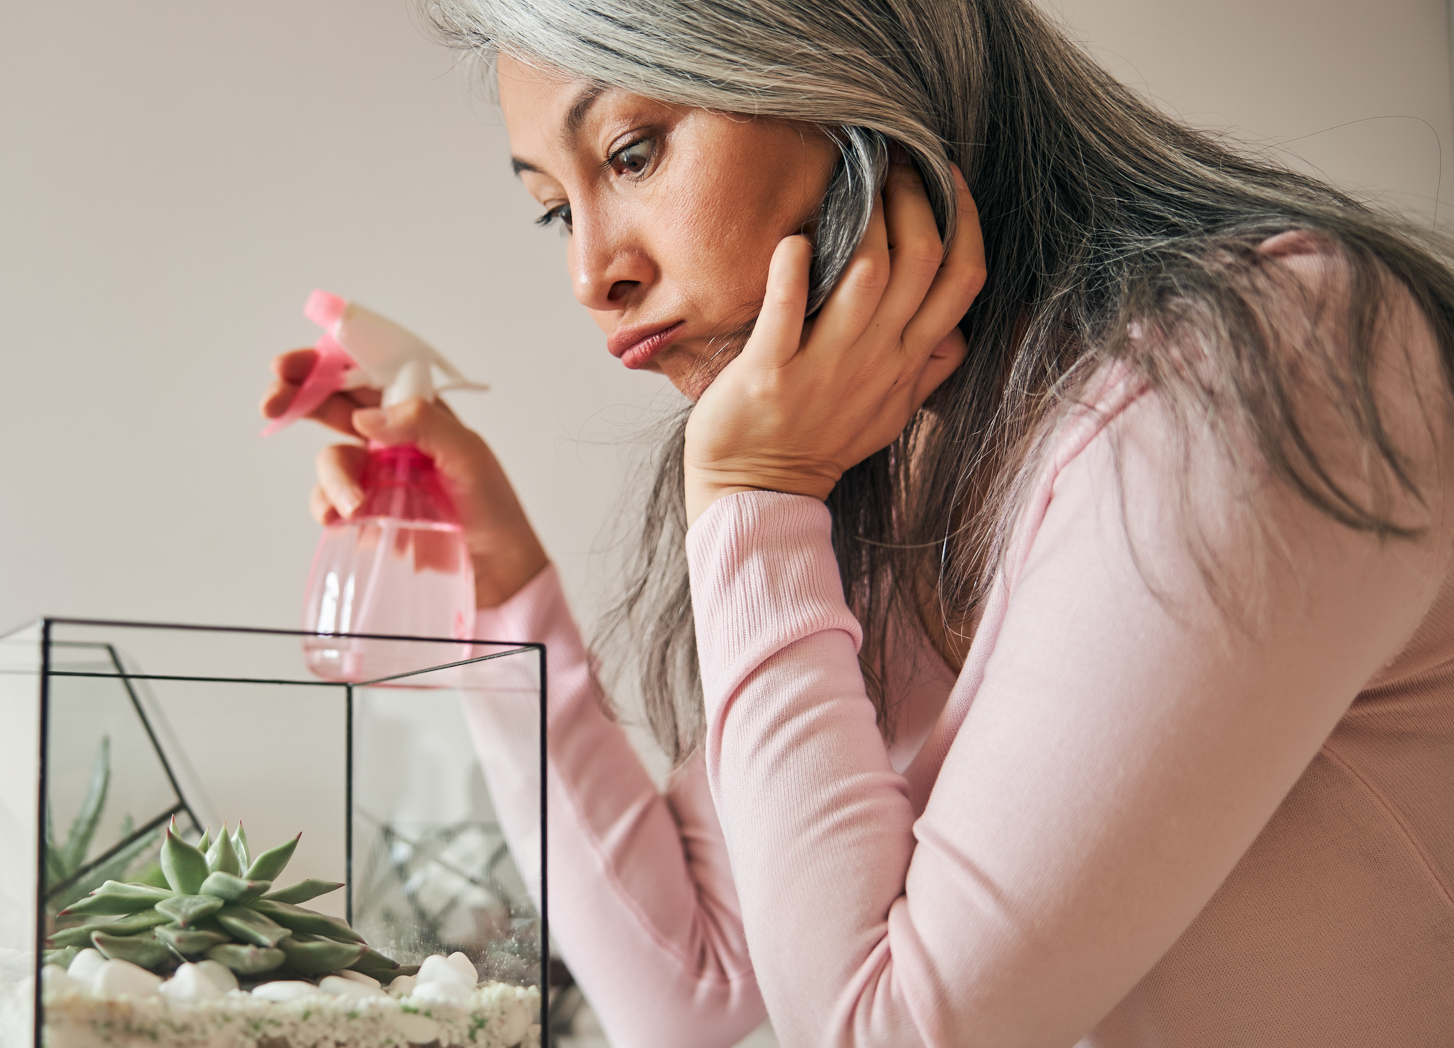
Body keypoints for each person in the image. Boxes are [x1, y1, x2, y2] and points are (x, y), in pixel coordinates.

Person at [261, 1, 1454, 1044]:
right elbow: (681, 986)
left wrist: (754, 500)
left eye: (629, 152)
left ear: (839, 68)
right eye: (549, 210)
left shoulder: (1260, 359)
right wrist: (497, 580)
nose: (591, 272)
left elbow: (888, 1030)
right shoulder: (900, 452)